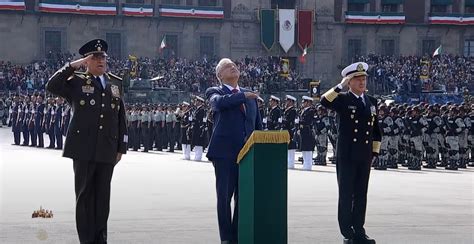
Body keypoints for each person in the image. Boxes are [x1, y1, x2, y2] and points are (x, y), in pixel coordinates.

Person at [46, 39, 127, 244]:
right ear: (87, 60)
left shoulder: (115, 83)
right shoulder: (76, 81)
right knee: (84, 197)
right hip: (82, 148)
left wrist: (121, 147)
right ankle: (86, 239)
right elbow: (51, 85)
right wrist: (74, 65)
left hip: (107, 149)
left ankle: (101, 238)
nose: (101, 60)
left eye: (103, 57)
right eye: (95, 57)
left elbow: (120, 117)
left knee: (103, 198)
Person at [320, 62, 381, 244]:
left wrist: (374, 153)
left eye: (364, 79)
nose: (362, 82)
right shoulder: (343, 99)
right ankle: (348, 232)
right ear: (350, 82)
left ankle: (359, 230)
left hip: (364, 155)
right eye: (357, 79)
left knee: (361, 194)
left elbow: (376, 130)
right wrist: (340, 86)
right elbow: (324, 101)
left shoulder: (371, 101)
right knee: (346, 194)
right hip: (347, 154)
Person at [205, 58, 262, 244]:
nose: (233, 67)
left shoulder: (249, 96)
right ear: (220, 75)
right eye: (227, 67)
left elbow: (257, 126)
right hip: (224, 154)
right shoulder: (215, 91)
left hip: (247, 155)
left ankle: (238, 235)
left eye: (235, 66)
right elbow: (219, 103)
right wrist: (243, 96)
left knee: (243, 197)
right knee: (224, 197)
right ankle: (226, 238)